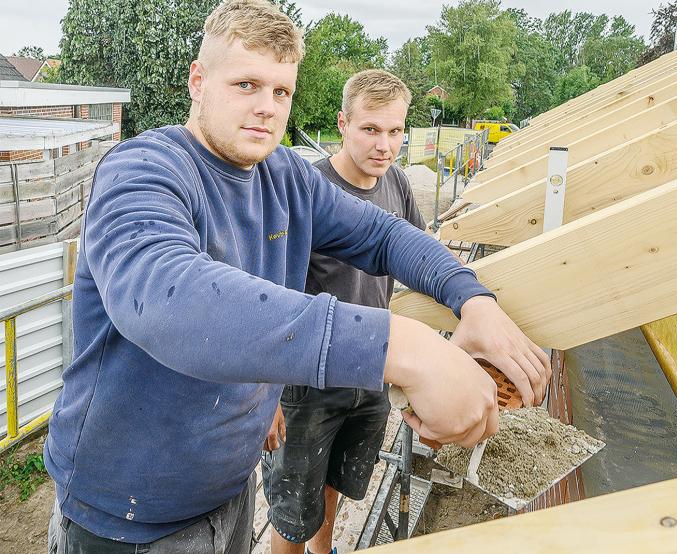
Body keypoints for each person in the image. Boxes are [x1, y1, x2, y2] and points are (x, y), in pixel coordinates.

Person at [44, 1, 549, 552]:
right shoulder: (143, 170)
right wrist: (405, 346)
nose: (266, 107)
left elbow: (385, 235)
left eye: (281, 91)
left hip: (228, 489)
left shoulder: (285, 177)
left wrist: (472, 299)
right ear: (198, 81)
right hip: (127, 514)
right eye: (246, 84)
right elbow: (167, 298)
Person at [260, 69, 426, 554]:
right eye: (370, 129)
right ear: (342, 124)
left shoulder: (397, 185)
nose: (384, 145)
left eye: (395, 130)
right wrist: (263, 395)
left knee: (336, 483)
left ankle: (324, 550)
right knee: (292, 511)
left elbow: (418, 255)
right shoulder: (306, 190)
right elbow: (266, 295)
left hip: (370, 373)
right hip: (307, 383)